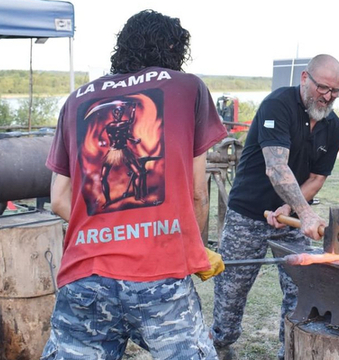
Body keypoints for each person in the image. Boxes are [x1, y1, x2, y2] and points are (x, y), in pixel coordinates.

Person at [43, 10, 227, 359]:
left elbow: (58, 199)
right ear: (174, 48)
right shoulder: (187, 87)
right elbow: (198, 192)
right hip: (160, 276)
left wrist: (112, 230)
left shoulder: (76, 99)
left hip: (85, 277)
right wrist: (197, 253)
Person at [211, 54, 339, 360]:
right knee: (232, 289)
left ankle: (291, 352)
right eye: (323, 88)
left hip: (292, 220)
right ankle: (219, 343)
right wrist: (307, 212)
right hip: (248, 213)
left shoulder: (333, 126)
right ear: (305, 79)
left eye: (335, 91)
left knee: (301, 290)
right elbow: (276, 168)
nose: (328, 96)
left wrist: (290, 210)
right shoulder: (278, 105)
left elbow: (316, 178)